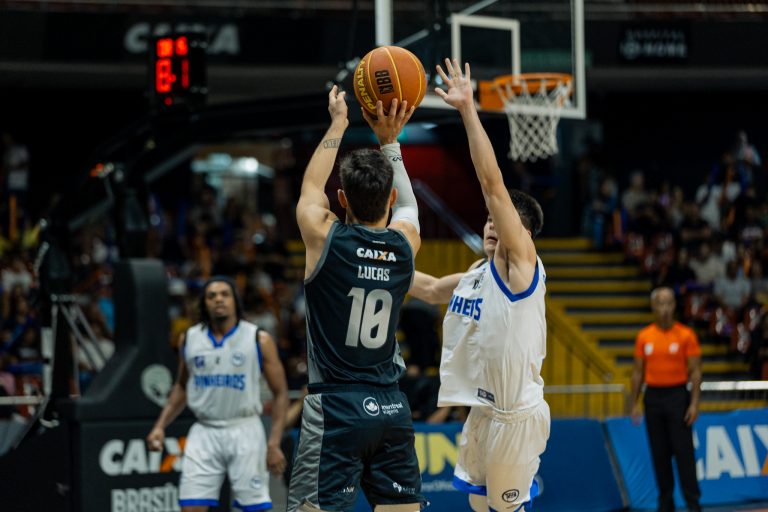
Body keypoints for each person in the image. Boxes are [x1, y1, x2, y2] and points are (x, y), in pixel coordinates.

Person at [408, 59, 550, 512]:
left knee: (505, 510)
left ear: (521, 234)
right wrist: (370, 263)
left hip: (515, 416)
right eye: (488, 220)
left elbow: (491, 184)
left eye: (499, 220)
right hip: (483, 412)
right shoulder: (476, 274)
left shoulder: (521, 267)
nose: (490, 224)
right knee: (476, 505)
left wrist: (468, 109)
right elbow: (431, 289)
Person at [287, 86, 425, 512]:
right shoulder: (405, 245)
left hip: (336, 406)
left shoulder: (323, 236)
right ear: (390, 198)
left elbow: (311, 187)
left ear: (342, 199)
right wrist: (390, 142)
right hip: (391, 407)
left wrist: (339, 123)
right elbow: (411, 209)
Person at [146, 276, 289, 512]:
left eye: (225, 294)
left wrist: (273, 443)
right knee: (191, 507)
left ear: (235, 301)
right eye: (211, 296)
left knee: (254, 508)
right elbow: (181, 386)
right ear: (204, 303)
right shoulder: (189, 338)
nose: (218, 300)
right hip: (205, 431)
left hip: (244, 429)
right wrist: (160, 426)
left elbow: (281, 392)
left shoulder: (258, 338)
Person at [630, 287, 702, 512]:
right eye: (660, 303)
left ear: (674, 306)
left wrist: (694, 403)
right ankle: (665, 503)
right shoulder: (644, 336)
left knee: (684, 453)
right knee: (659, 454)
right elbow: (637, 373)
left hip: (678, 397)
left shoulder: (686, 335)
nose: (664, 308)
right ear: (653, 306)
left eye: (669, 303)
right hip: (653, 398)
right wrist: (634, 403)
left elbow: (695, 372)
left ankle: (693, 503)